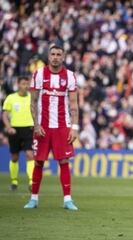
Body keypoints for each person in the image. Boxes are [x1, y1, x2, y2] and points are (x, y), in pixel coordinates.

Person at [23, 43, 79, 211]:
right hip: (43, 126)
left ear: (63, 57)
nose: (55, 57)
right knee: (38, 162)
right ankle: (34, 199)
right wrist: (36, 124)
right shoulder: (39, 74)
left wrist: (74, 127)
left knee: (64, 161)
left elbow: (74, 104)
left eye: (58, 54)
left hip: (62, 126)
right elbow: (33, 102)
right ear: (49, 56)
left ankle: (68, 200)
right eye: (53, 54)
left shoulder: (69, 76)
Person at [2, 76, 35, 192]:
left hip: (29, 129)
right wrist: (8, 127)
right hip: (15, 130)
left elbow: (36, 112)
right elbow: (4, 115)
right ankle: (14, 181)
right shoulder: (11, 98)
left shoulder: (32, 97)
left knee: (30, 155)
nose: (25, 86)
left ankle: (32, 182)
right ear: (18, 84)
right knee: (15, 157)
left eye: (27, 84)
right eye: (23, 84)